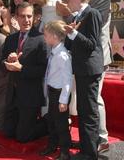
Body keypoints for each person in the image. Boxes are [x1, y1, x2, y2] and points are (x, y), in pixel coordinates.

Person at [59, 0, 112, 153]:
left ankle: (101, 140)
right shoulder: (76, 4)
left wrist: (68, 17)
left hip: (95, 58)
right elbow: (75, 24)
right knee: (83, 105)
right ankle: (88, 144)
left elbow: (92, 31)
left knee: (92, 102)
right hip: (81, 60)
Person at [64, 0, 103, 160]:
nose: (67, 2)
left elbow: (91, 44)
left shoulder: (92, 13)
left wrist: (73, 34)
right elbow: (73, 45)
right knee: (83, 109)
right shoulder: (77, 16)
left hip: (89, 69)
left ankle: (90, 153)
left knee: (88, 111)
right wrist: (68, 35)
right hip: (81, 69)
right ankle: (86, 147)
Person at [2, 2, 48, 143]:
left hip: (30, 95)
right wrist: (8, 61)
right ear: (16, 17)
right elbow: (1, 62)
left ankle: (50, 124)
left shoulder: (41, 39)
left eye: (29, 16)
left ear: (34, 17)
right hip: (12, 94)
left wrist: (21, 68)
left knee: (23, 137)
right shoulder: (10, 39)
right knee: (8, 133)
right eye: (22, 16)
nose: (26, 20)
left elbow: (43, 69)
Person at [39, 20, 73, 160]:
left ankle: (65, 152)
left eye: (46, 35)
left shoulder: (62, 55)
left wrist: (63, 100)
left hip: (60, 94)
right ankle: (52, 146)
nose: (44, 37)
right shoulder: (54, 52)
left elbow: (67, 80)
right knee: (51, 122)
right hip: (53, 92)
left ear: (54, 36)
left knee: (61, 125)